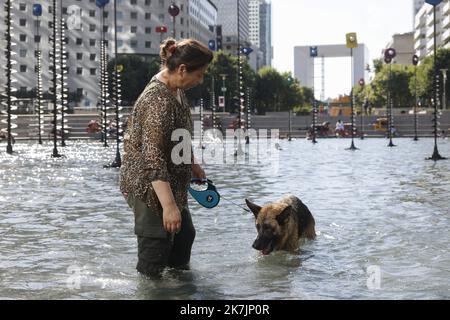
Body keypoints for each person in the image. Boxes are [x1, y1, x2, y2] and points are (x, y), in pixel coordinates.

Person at [120, 38, 213, 278]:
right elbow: (152, 158)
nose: (201, 80)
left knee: (184, 236)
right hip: (150, 190)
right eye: (200, 74)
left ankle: (180, 291)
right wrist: (170, 207)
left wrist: (191, 162)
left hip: (172, 183)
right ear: (182, 69)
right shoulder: (157, 100)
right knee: (155, 253)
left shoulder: (177, 90)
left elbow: (178, 133)